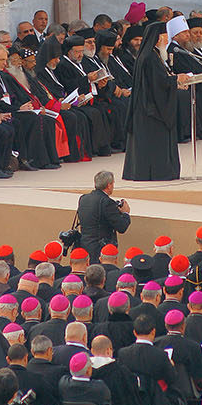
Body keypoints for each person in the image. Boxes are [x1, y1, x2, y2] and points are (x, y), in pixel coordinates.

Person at [124, 17, 183, 181]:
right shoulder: (149, 57)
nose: (167, 40)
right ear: (157, 38)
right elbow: (158, 84)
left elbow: (160, 79)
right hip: (149, 110)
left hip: (149, 107)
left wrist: (174, 81)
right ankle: (156, 173)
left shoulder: (154, 55)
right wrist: (176, 80)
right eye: (165, 36)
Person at [77, 171, 132, 260]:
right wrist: (125, 213)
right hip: (100, 250)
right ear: (109, 185)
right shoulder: (107, 203)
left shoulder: (83, 198)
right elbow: (122, 227)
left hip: (84, 245)